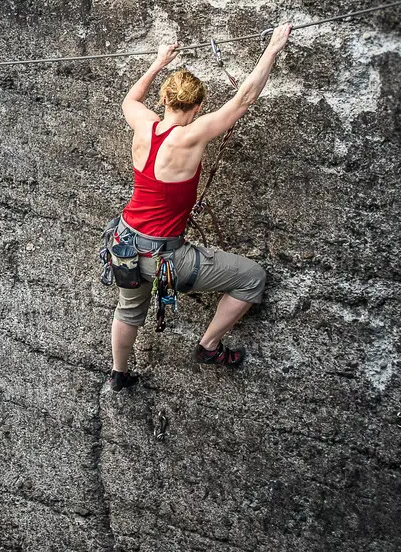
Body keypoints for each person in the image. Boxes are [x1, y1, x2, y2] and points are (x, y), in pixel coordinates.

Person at [108, 24, 292, 391]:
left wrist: (158, 62)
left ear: (163, 100)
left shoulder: (143, 123)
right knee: (252, 277)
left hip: (124, 243)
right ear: (198, 107)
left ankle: (118, 373)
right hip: (165, 257)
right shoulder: (192, 135)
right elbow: (243, 99)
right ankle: (208, 346)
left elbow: (129, 99)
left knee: (128, 310)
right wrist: (272, 48)